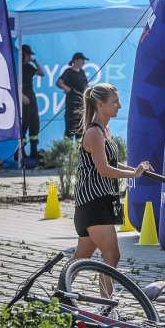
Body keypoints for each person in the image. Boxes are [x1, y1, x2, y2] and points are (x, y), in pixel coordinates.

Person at [69, 83, 152, 295]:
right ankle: (106, 306)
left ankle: (58, 298)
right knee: (112, 255)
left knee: (80, 257)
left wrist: (137, 169)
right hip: (92, 202)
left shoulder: (106, 130)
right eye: (114, 102)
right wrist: (134, 174)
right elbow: (105, 170)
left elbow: (113, 163)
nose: (119, 106)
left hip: (102, 200)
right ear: (100, 104)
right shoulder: (94, 133)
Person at [20, 45, 44, 167]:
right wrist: (21, 95)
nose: (30, 56)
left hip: (31, 95)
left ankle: (34, 152)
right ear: (23, 54)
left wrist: (34, 61)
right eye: (29, 54)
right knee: (23, 125)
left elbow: (41, 73)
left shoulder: (29, 67)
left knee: (34, 123)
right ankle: (22, 153)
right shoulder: (17, 67)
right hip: (22, 96)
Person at [57, 52, 90, 139]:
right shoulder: (69, 71)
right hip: (71, 105)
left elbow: (85, 86)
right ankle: (68, 151)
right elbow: (59, 82)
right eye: (82, 60)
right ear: (75, 60)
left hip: (82, 105)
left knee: (81, 130)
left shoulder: (82, 72)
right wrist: (68, 89)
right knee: (70, 130)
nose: (84, 63)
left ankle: (80, 151)